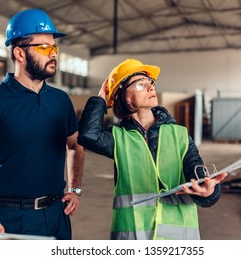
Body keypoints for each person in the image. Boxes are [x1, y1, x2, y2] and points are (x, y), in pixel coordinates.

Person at [0, 9, 84, 240]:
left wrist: (75, 189)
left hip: (57, 215)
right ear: (19, 53)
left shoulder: (60, 100)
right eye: (44, 48)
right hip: (8, 218)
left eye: (54, 47)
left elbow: (75, 146)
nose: (53, 54)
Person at [78, 58, 227, 240]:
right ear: (122, 95)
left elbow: (196, 172)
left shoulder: (179, 134)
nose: (150, 88)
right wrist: (101, 97)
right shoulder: (118, 138)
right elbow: (88, 135)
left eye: (151, 83)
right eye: (141, 85)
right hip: (133, 236)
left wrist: (208, 192)